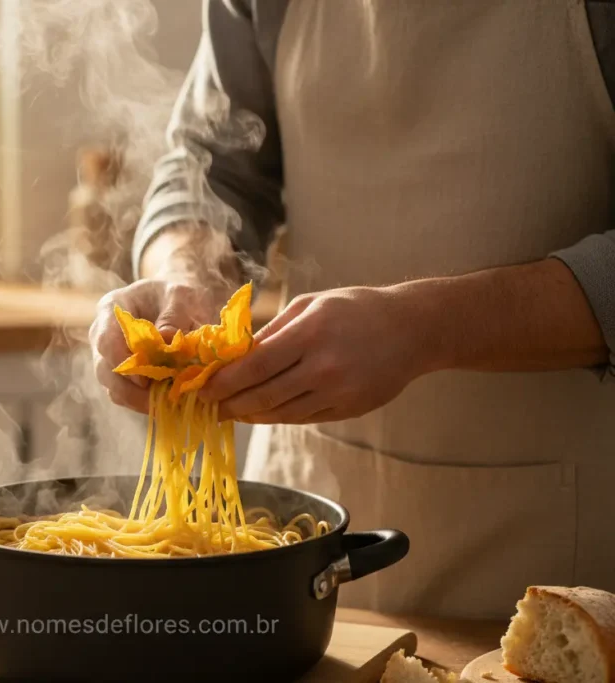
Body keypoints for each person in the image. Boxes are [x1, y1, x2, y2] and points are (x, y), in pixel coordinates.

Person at [90, 0, 615, 619]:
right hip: (298, 529)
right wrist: (187, 276)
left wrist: (424, 327)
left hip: (566, 559)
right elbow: (210, 164)